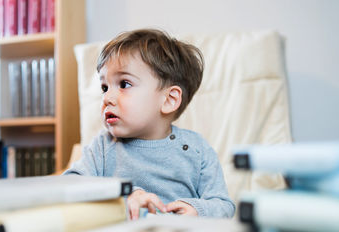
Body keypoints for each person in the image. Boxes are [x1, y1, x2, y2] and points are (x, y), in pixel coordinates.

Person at [64, 29, 235, 220]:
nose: (107, 98)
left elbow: (223, 205)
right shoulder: (102, 148)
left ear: (169, 99)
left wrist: (197, 210)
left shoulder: (197, 150)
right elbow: (70, 184)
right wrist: (124, 195)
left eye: (124, 84)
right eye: (105, 87)